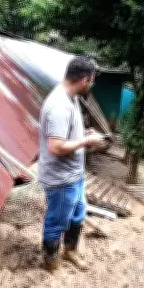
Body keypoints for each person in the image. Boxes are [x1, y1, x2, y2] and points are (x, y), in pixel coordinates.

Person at [38, 56, 106, 271]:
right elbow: (56, 147)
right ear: (85, 80)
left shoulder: (72, 98)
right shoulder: (59, 106)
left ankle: (70, 251)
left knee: (77, 215)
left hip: (74, 175)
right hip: (61, 179)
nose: (92, 85)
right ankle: (50, 262)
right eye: (92, 81)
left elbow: (66, 133)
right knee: (57, 221)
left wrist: (83, 133)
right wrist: (86, 141)